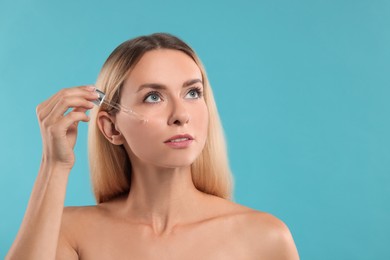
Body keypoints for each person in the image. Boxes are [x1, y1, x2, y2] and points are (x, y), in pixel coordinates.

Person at [6, 33, 299, 259]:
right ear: (111, 127)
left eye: (193, 92)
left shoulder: (265, 237)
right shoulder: (68, 233)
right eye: (153, 97)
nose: (181, 115)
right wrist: (54, 165)